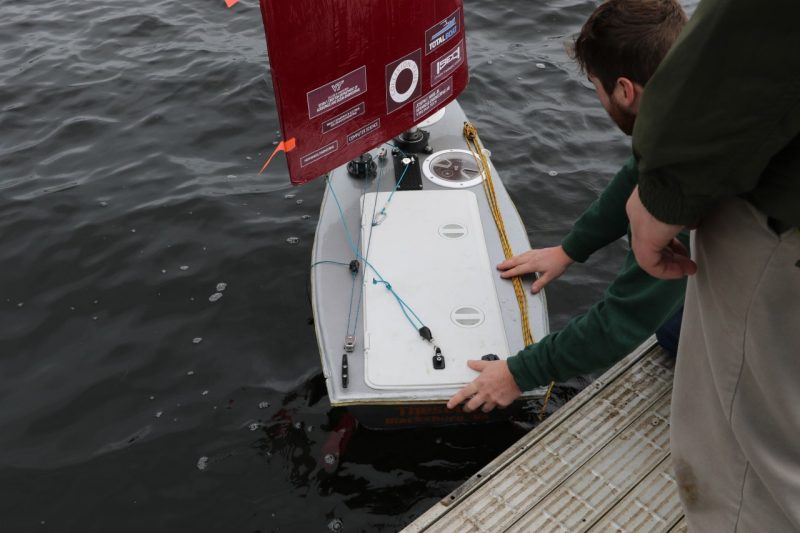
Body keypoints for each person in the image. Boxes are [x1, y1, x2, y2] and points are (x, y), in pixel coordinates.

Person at [447, 0, 688, 413]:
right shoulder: (697, 105)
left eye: (595, 86)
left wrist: (517, 373)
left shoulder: (687, 172)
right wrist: (569, 250)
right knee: (671, 326)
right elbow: (635, 176)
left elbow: (624, 320)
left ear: (625, 90)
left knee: (670, 327)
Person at [624, 0, 800, 529]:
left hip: (779, 223)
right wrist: (569, 252)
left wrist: (664, 194)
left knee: (747, 471)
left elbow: (759, 31)